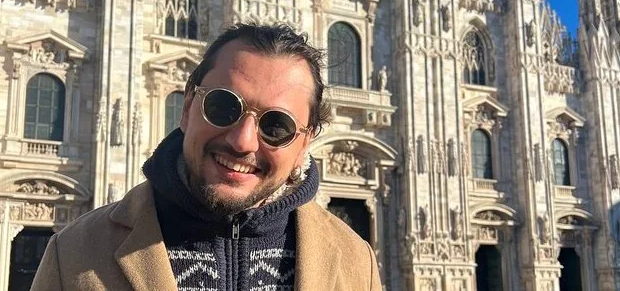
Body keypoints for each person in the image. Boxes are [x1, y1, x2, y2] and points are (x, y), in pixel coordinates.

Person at [31, 22, 382, 290]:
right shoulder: (74, 253)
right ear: (187, 107)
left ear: (305, 142)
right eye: (223, 106)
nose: (243, 141)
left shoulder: (356, 262)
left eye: (277, 126)